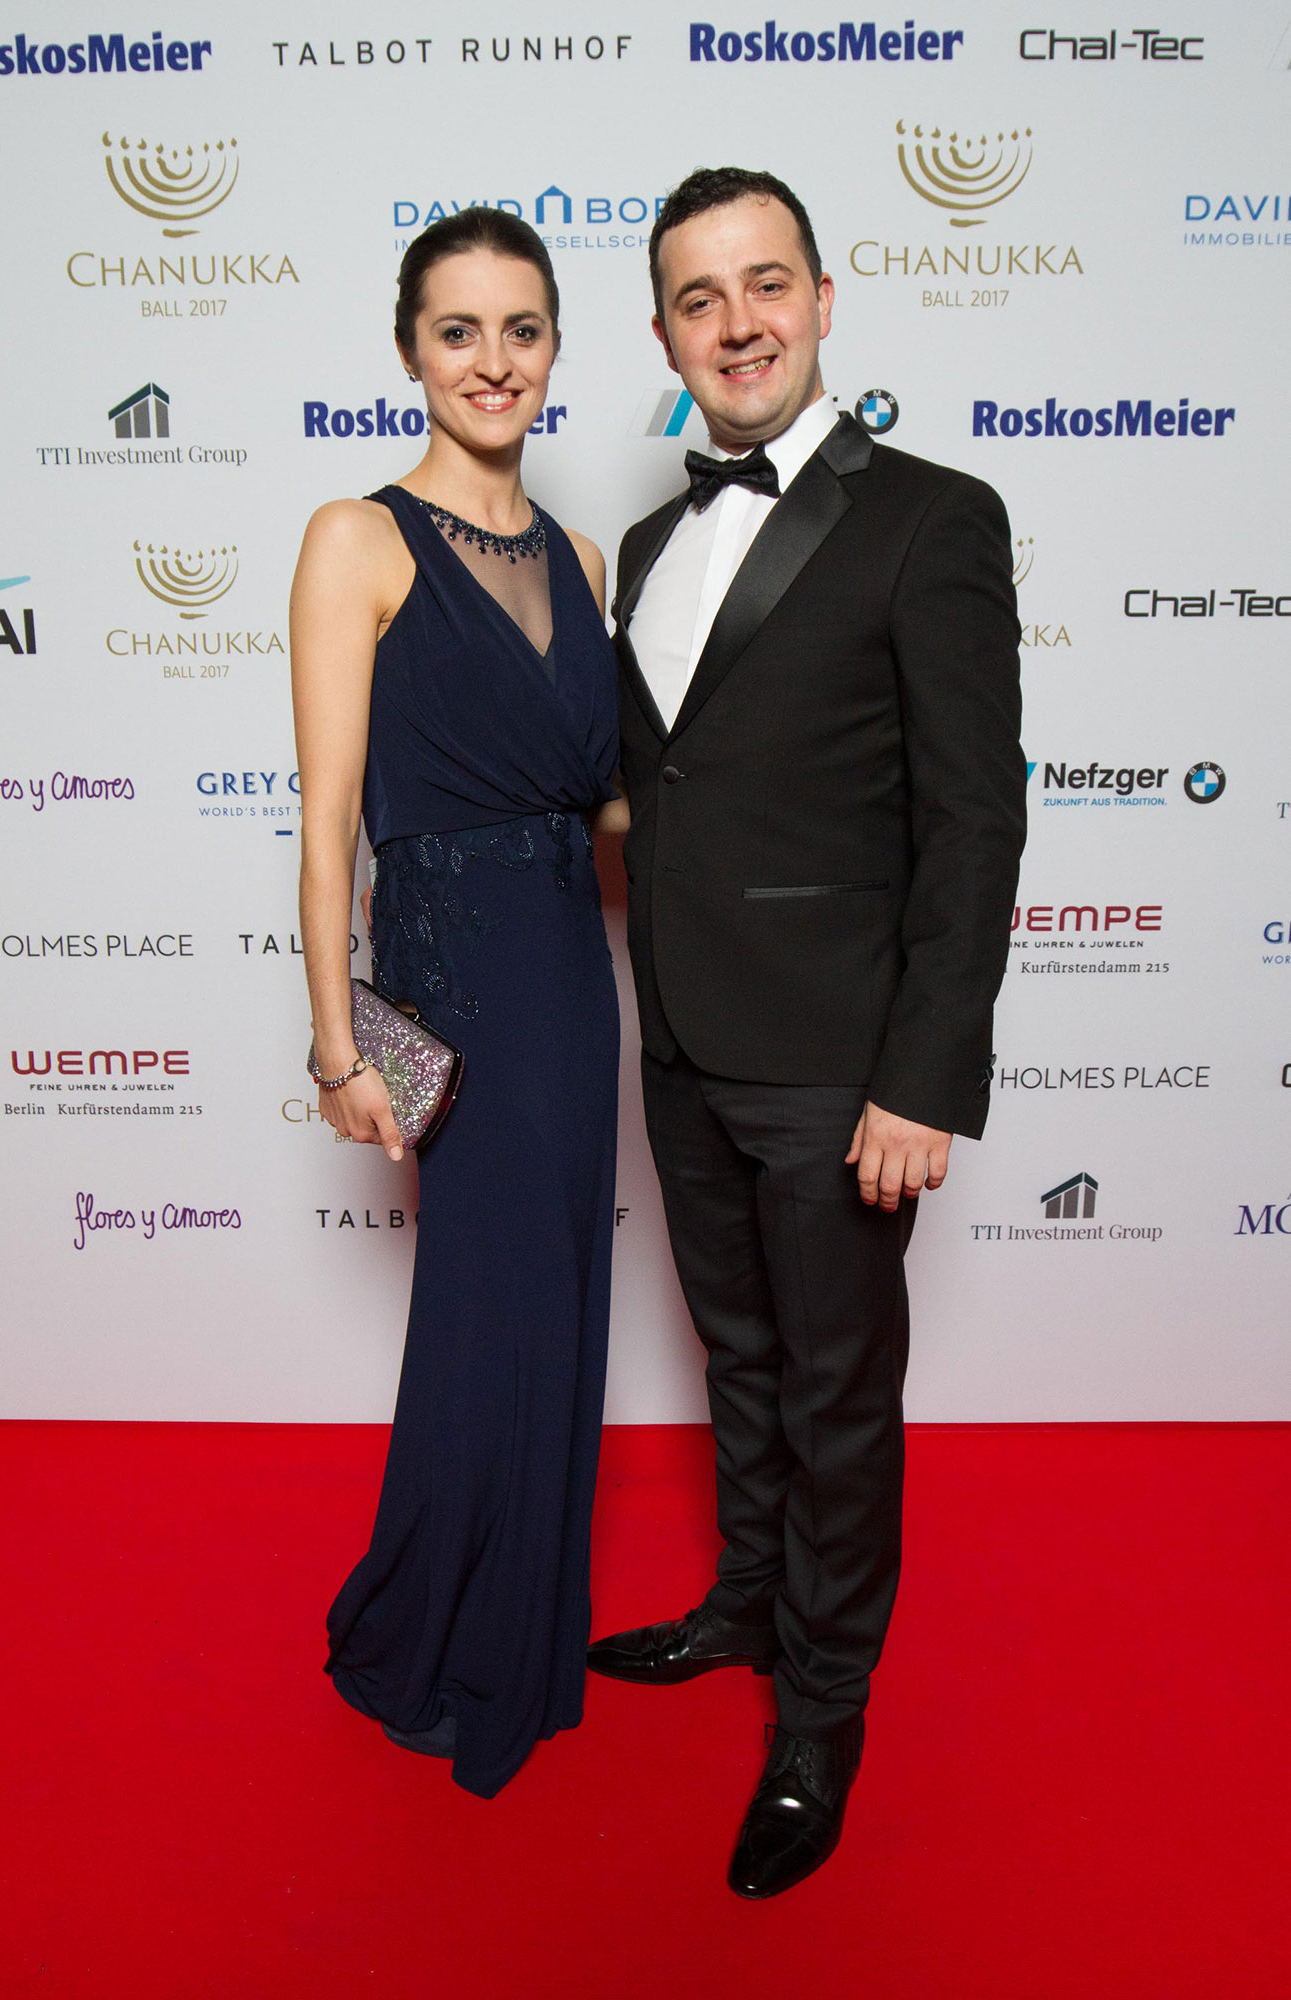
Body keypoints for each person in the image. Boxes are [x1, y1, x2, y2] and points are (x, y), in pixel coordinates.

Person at [588, 168, 1026, 1896]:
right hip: (681, 1042)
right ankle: (749, 1605)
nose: (738, 323)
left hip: (841, 1063)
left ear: (824, 300)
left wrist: (922, 1078)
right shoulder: (646, 546)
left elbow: (972, 820)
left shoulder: (933, 517)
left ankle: (820, 1721)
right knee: (741, 1362)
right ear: (663, 337)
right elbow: (671, 786)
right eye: (700, 298)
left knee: (839, 1398)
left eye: (766, 284)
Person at [290, 210, 622, 1799]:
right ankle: (440, 1634)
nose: (493, 362)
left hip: (571, 978)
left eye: (521, 328)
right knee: (486, 1317)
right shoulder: (354, 539)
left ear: (553, 347)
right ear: (409, 350)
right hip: (458, 985)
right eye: (458, 330)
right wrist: (336, 1046)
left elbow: (603, 802)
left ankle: (518, 1627)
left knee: (557, 1305)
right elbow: (326, 823)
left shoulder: (581, 558)